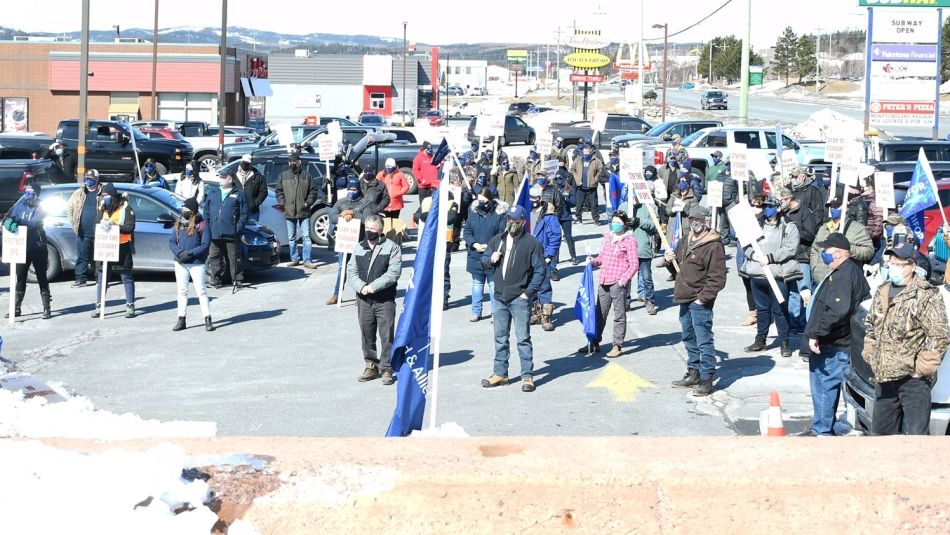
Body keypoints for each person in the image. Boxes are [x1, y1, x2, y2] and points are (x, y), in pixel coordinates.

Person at [864, 242, 950, 435]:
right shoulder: (882, 291)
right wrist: (870, 352)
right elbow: (871, 325)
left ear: (912, 266)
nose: (893, 267)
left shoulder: (926, 294)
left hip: (913, 380)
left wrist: (921, 369)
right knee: (880, 437)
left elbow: (939, 335)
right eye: (891, 262)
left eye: (899, 264)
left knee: (915, 438)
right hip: (884, 377)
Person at [801, 233, 870, 436]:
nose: (823, 255)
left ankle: (821, 431)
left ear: (838, 254)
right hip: (840, 342)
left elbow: (837, 310)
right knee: (825, 387)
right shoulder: (850, 271)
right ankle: (822, 426)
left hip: (833, 344)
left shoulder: (843, 276)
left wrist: (815, 333)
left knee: (824, 387)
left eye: (826, 252)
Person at [480, 205, 545, 393]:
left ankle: (527, 376)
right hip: (500, 297)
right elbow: (484, 260)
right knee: (500, 338)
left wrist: (528, 293)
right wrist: (490, 258)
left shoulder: (532, 243)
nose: (511, 224)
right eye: (509, 220)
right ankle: (500, 373)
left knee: (523, 339)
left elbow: (540, 271)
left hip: (519, 298)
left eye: (515, 221)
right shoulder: (497, 240)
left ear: (523, 222)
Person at [667, 206, 727, 397]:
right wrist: (669, 260)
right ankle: (693, 372)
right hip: (684, 296)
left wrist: (704, 298)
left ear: (706, 221)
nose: (695, 223)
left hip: (699, 299)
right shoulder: (686, 239)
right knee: (688, 337)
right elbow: (676, 268)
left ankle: (707, 377)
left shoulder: (713, 245)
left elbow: (717, 278)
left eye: (699, 220)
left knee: (704, 340)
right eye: (693, 219)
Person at [739, 197, 801, 358]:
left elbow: (790, 249)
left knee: (780, 310)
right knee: (762, 309)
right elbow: (745, 243)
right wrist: (752, 254)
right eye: (765, 206)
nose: (767, 209)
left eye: (771, 206)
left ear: (778, 208)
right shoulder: (756, 225)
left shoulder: (788, 226)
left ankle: (784, 342)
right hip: (756, 275)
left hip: (776, 275)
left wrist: (771, 258)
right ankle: (760, 340)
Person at [347, 214, 403, 385]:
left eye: (372, 229)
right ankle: (371, 365)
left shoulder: (391, 248)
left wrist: (373, 286)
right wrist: (361, 287)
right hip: (364, 300)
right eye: (367, 228)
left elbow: (393, 273)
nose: (368, 232)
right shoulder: (359, 247)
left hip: (384, 300)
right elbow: (351, 271)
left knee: (386, 336)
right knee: (367, 334)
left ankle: (387, 368)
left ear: (380, 229)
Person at [582, 211, 639, 357]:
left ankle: (617, 345)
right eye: (614, 222)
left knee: (619, 314)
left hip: (617, 282)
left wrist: (623, 281)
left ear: (625, 225)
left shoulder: (629, 241)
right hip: (604, 280)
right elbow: (602, 258)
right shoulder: (608, 237)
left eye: (619, 223)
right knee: (599, 313)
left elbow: (634, 265)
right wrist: (593, 261)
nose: (615, 225)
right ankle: (594, 341)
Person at [3, 184, 52, 319]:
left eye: (30, 191)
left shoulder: (42, 207)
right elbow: (8, 217)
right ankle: (16, 308)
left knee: (41, 276)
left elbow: (33, 223)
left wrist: (17, 220)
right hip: (21, 246)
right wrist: (8, 223)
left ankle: (47, 308)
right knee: (20, 277)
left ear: (36, 193)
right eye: (26, 190)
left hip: (37, 246)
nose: (27, 193)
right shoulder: (20, 204)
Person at [327, 178, 376, 305]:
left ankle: (360, 295)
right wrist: (342, 216)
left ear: (359, 189)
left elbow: (367, 218)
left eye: (355, 189)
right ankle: (337, 295)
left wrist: (352, 213)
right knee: (342, 268)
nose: (352, 191)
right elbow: (332, 217)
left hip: (360, 241)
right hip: (345, 241)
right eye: (350, 188)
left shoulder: (365, 202)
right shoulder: (341, 202)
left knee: (360, 269)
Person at [168, 197, 214, 332]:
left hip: (196, 263)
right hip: (180, 262)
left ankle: (207, 319)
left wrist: (191, 254)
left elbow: (205, 245)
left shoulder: (203, 224)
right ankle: (181, 319)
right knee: (182, 291)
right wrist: (179, 253)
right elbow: (171, 242)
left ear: (193, 211)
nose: (183, 211)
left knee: (201, 291)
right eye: (183, 209)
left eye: (186, 209)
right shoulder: (179, 223)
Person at [91, 183, 136, 318]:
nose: (105, 199)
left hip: (122, 247)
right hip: (106, 247)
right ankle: (99, 306)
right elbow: (95, 226)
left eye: (107, 196)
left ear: (114, 197)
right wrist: (101, 225)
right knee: (102, 277)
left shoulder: (126, 208)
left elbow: (130, 227)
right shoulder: (103, 209)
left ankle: (130, 306)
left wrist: (115, 226)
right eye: (103, 196)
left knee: (126, 276)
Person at [810, 190, 875, 282]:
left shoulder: (857, 229)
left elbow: (869, 251)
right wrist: (815, 268)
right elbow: (814, 249)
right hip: (822, 280)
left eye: (836, 206)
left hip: (845, 280)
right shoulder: (823, 228)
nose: (832, 209)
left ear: (845, 208)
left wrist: (848, 249)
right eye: (831, 206)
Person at [779, 186, 818, 337]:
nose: (780, 203)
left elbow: (810, 235)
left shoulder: (805, 212)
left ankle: (803, 323)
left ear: (789, 199)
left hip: (802, 256)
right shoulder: (782, 213)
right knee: (790, 292)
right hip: (787, 257)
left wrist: (793, 232)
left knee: (803, 292)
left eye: (782, 200)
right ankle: (792, 323)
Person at [463, 188, 506, 322]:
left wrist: (489, 245)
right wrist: (474, 244)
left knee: (493, 286)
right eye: (479, 200)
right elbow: (467, 231)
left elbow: (501, 233)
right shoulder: (473, 212)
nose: (482, 203)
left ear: (490, 200)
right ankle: (476, 311)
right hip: (475, 255)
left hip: (491, 255)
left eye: (484, 201)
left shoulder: (499, 214)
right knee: (477, 284)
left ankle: (495, 313)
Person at [276, 152, 319, 268]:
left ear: (299, 162)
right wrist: (283, 203)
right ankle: (294, 258)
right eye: (290, 161)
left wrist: (308, 202)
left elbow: (313, 191)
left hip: (304, 211)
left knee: (306, 236)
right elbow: (279, 191)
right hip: (289, 211)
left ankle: (307, 260)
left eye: (294, 161)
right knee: (291, 237)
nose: (292, 163)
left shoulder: (307, 175)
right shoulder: (283, 175)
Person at [206, 174, 248, 289]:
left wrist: (237, 227)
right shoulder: (213, 192)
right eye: (221, 177)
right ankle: (215, 279)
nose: (221, 179)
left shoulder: (239, 194)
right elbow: (206, 211)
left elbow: (244, 214)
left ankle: (236, 279)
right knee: (214, 257)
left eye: (224, 178)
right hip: (215, 231)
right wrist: (208, 225)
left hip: (231, 232)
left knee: (234, 257)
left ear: (230, 180)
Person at [619, 193, 658, 315]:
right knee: (626, 277)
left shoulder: (650, 206)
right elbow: (615, 226)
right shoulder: (623, 206)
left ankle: (650, 301)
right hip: (626, 249)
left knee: (646, 276)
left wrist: (640, 221)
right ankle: (625, 301)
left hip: (643, 247)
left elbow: (654, 225)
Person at [529, 186, 562, 332]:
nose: (532, 200)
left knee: (544, 286)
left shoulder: (549, 217)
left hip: (543, 256)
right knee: (531, 285)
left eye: (535, 198)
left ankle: (546, 317)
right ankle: (535, 312)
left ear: (540, 198)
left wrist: (549, 255)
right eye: (530, 197)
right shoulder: (525, 213)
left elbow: (555, 237)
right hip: (527, 256)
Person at [67, 169, 102, 287]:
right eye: (86, 179)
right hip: (83, 232)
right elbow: (70, 209)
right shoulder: (79, 193)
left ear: (96, 180)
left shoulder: (103, 192)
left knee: (99, 258)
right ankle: (80, 279)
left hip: (100, 232)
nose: (88, 181)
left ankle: (100, 279)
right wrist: (74, 225)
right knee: (82, 257)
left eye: (91, 179)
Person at [570, 144, 604, 225]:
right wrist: (577, 178)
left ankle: (596, 220)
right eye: (585, 152)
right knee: (579, 204)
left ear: (590, 152)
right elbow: (572, 169)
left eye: (587, 152)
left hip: (591, 187)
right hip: (581, 187)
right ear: (582, 152)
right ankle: (578, 219)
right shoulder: (578, 159)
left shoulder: (596, 160)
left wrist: (595, 179)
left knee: (594, 205)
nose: (586, 153)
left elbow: (600, 170)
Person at [555, 172, 578, 266]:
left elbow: (574, 203)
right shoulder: (554, 189)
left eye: (560, 178)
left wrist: (566, 199)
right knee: (556, 238)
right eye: (556, 179)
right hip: (556, 216)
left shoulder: (570, 189)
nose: (558, 181)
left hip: (566, 216)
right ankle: (555, 258)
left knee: (569, 237)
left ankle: (574, 257)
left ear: (564, 179)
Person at [235, 154, 267, 221]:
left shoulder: (257, 176)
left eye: (247, 163)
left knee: (252, 230)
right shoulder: (234, 175)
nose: (245, 165)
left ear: (250, 164)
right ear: (241, 162)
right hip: (237, 210)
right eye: (244, 162)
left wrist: (255, 203)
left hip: (252, 212)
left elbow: (263, 191)